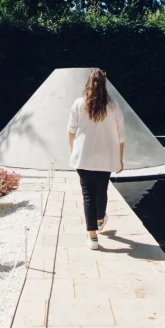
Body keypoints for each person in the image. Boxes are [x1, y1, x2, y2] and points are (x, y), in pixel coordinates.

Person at [67, 69, 125, 249]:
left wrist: (74, 152)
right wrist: (120, 159)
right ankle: (100, 219)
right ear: (105, 84)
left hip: (83, 157)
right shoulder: (114, 106)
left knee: (88, 195)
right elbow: (121, 136)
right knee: (102, 191)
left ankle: (92, 237)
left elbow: (71, 131)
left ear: (88, 83)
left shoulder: (79, 104)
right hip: (106, 157)